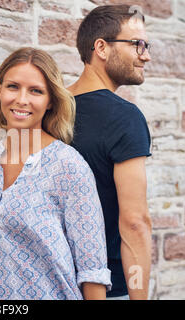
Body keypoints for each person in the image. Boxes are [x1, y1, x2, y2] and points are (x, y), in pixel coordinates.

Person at [0, 47, 111, 300]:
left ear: (51, 100)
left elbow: (92, 270)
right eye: (13, 86)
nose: (22, 99)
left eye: (36, 91)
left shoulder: (68, 166)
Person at [68, 5, 153, 300]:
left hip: (52, 280)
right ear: (101, 48)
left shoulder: (49, 108)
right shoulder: (124, 117)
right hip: (108, 286)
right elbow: (135, 222)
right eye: (137, 44)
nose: (146, 55)